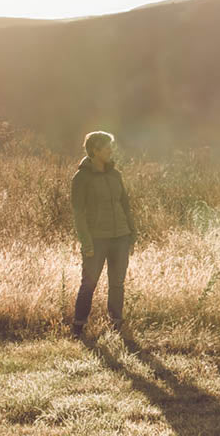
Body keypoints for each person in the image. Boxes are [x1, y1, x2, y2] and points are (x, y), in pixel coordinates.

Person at [70, 131, 136, 336]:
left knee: (117, 283)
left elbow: (125, 206)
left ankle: (116, 325)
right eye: (107, 147)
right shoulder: (81, 178)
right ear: (95, 150)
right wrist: (86, 242)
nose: (110, 150)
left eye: (110, 146)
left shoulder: (116, 175)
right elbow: (78, 213)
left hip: (120, 237)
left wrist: (132, 235)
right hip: (96, 240)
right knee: (89, 283)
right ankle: (78, 326)